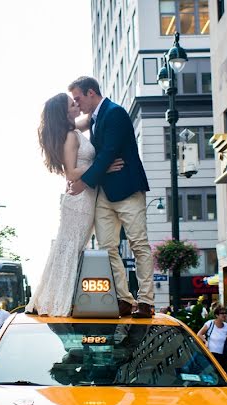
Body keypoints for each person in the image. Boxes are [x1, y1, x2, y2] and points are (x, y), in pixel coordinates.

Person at [25, 93, 123, 315]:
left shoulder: (73, 129)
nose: (76, 104)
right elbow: (71, 172)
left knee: (69, 247)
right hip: (79, 200)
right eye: (72, 103)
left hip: (85, 197)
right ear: (65, 111)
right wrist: (102, 167)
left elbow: (92, 118)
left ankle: (53, 299)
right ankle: (56, 302)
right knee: (69, 248)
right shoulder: (70, 136)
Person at [68, 76, 152, 318]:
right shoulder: (94, 118)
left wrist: (82, 182)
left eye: (78, 98)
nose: (77, 103)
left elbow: (107, 154)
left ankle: (145, 301)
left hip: (127, 190)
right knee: (107, 248)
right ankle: (125, 299)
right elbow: (100, 158)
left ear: (91, 93)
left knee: (138, 244)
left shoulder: (115, 113)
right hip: (104, 193)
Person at [197, 306, 227, 371]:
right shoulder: (210, 323)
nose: (224, 315)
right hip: (211, 354)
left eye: (225, 313)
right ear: (216, 315)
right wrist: (205, 341)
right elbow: (199, 334)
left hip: (223, 355)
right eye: (222, 313)